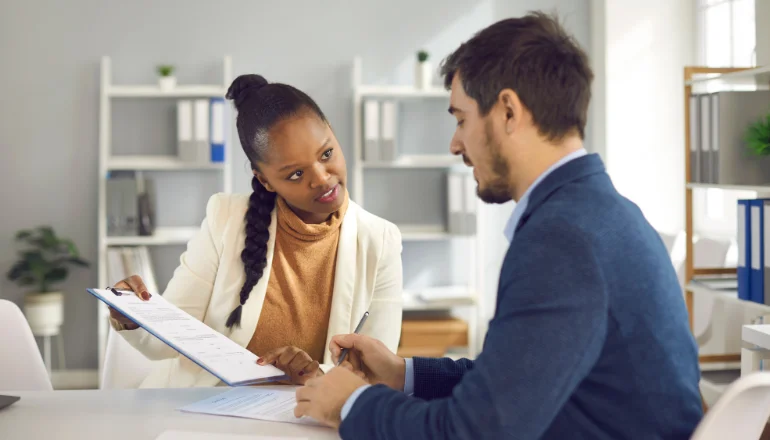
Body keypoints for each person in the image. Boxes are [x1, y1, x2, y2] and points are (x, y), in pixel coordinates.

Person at [293, 12, 704, 439]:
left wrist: (352, 404)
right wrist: (402, 374)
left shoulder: (561, 241)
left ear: (508, 111)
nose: (455, 144)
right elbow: (518, 375)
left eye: (461, 119)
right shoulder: (603, 213)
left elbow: (472, 432)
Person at [107, 74, 404, 388]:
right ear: (264, 180)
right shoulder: (226, 219)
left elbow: (376, 373)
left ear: (332, 132)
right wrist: (133, 314)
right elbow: (166, 342)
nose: (321, 178)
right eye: (297, 173)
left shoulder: (380, 241)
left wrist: (317, 376)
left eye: (327, 154)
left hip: (305, 418)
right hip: (207, 410)